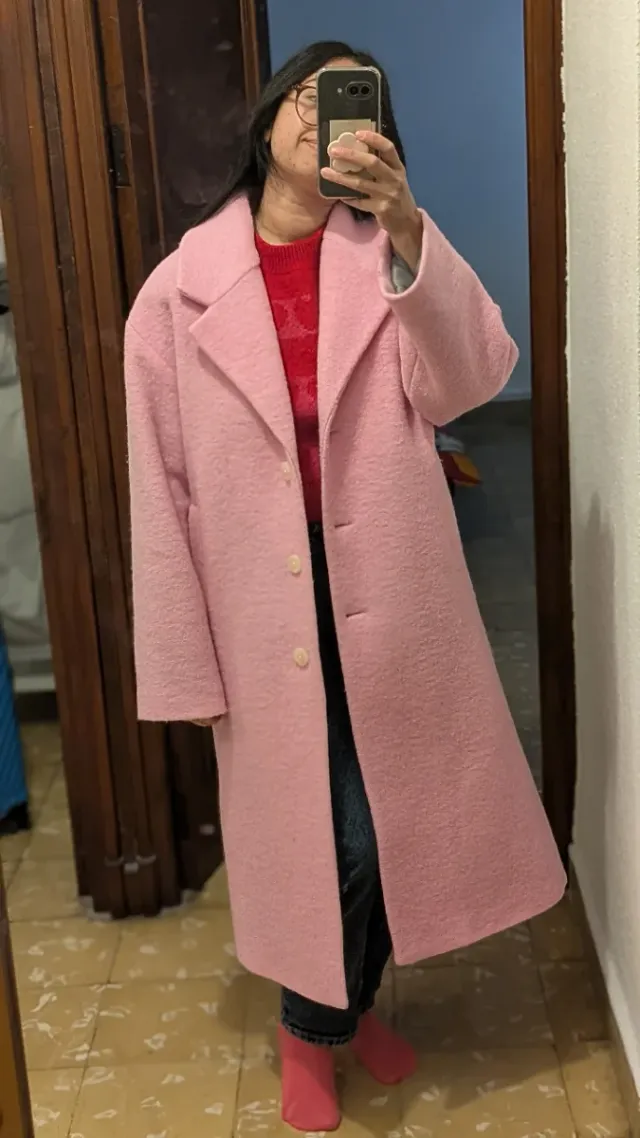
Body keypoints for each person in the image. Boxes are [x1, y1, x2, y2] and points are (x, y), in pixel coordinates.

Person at [124, 40, 566, 1133]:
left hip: (388, 589)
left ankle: (340, 1010)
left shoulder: (385, 260)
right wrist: (183, 660)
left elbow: (468, 381)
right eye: (310, 96)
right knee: (326, 838)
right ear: (270, 118)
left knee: (387, 825)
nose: (324, 117)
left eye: (352, 105)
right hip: (258, 602)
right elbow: (160, 490)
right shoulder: (175, 293)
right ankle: (313, 1030)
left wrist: (409, 228)